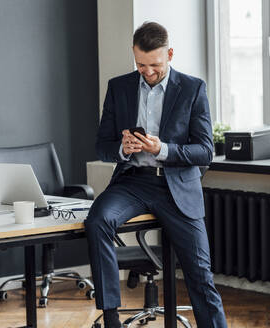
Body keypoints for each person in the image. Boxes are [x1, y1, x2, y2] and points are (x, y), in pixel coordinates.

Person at [84, 22, 228, 328]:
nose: (147, 72)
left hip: (176, 185)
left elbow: (205, 151)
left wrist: (163, 148)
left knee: (200, 275)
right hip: (133, 183)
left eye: (155, 65)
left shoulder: (193, 88)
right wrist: (123, 148)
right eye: (140, 65)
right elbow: (102, 145)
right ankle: (111, 318)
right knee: (97, 220)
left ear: (170, 54)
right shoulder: (119, 87)